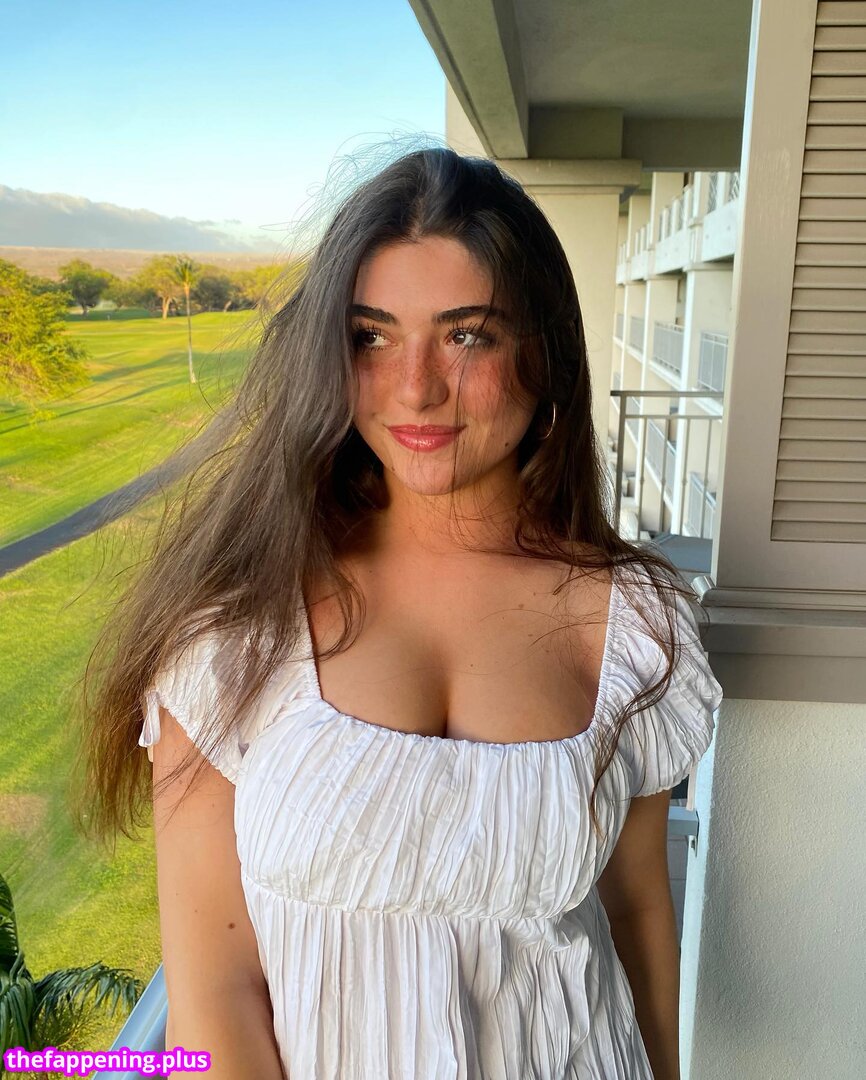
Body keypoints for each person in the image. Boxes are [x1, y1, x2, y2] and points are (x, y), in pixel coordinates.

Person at [76, 144, 723, 1080]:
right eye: (372, 337)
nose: (415, 387)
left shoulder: (635, 625)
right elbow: (216, 988)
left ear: (543, 353)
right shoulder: (238, 627)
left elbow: (636, 914)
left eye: (468, 336)